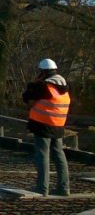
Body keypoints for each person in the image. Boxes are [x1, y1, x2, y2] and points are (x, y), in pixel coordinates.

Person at [22, 58, 71, 196]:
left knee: (42, 156)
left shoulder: (43, 86)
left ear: (42, 72)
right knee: (59, 156)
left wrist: (34, 83)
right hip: (58, 126)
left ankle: (42, 188)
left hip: (43, 125)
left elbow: (26, 96)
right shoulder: (64, 85)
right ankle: (64, 188)